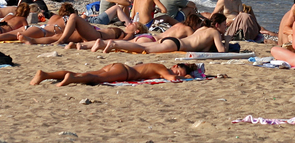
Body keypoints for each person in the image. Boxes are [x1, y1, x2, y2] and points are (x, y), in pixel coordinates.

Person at [32, 61, 196, 86]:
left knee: (86, 73)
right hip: (124, 72)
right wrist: (185, 77)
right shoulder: (163, 68)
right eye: (178, 70)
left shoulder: (159, 67)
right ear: (174, 65)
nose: (176, 73)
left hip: (117, 66)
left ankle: (45, 75)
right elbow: (172, 78)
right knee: (96, 79)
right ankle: (72, 79)